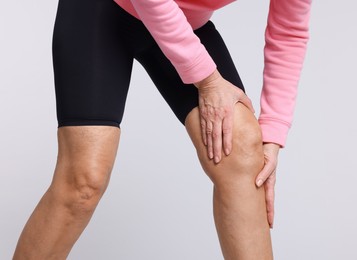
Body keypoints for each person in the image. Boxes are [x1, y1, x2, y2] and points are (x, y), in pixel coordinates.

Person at [13, 0, 311, 259]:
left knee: (243, 151)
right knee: (83, 183)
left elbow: (289, 31)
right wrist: (207, 80)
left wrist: (273, 133)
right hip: (100, 11)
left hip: (180, 23)